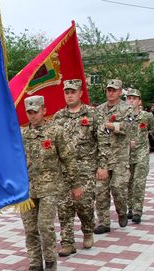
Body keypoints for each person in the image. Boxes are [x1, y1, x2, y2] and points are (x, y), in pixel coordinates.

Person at [20, 96, 82, 271]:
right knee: (30, 228)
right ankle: (35, 264)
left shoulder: (56, 132)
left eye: (35, 112)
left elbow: (68, 159)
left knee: (44, 226)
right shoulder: (22, 135)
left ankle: (50, 262)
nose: (32, 116)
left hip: (50, 186)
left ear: (44, 110)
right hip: (28, 189)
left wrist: (76, 184)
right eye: (29, 112)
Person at [52, 79, 98, 254]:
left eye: (73, 92)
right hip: (64, 169)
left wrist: (103, 166)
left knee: (84, 204)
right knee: (64, 206)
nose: (70, 95)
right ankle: (67, 242)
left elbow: (103, 141)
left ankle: (88, 230)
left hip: (85, 168)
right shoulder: (58, 117)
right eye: (67, 92)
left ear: (80, 93)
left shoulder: (92, 114)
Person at [93, 79, 134, 234]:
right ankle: (104, 222)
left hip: (120, 157)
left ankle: (122, 211)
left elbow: (128, 127)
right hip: (103, 157)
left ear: (120, 92)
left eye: (114, 90)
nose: (110, 93)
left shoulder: (126, 108)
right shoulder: (99, 109)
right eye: (108, 90)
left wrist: (111, 126)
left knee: (118, 189)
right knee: (100, 191)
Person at [125, 89, 154, 225]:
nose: (131, 101)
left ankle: (137, 211)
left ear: (139, 101)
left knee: (139, 182)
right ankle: (130, 208)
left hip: (141, 153)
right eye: (129, 98)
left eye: (134, 98)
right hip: (126, 154)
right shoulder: (121, 116)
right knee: (128, 183)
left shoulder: (146, 116)